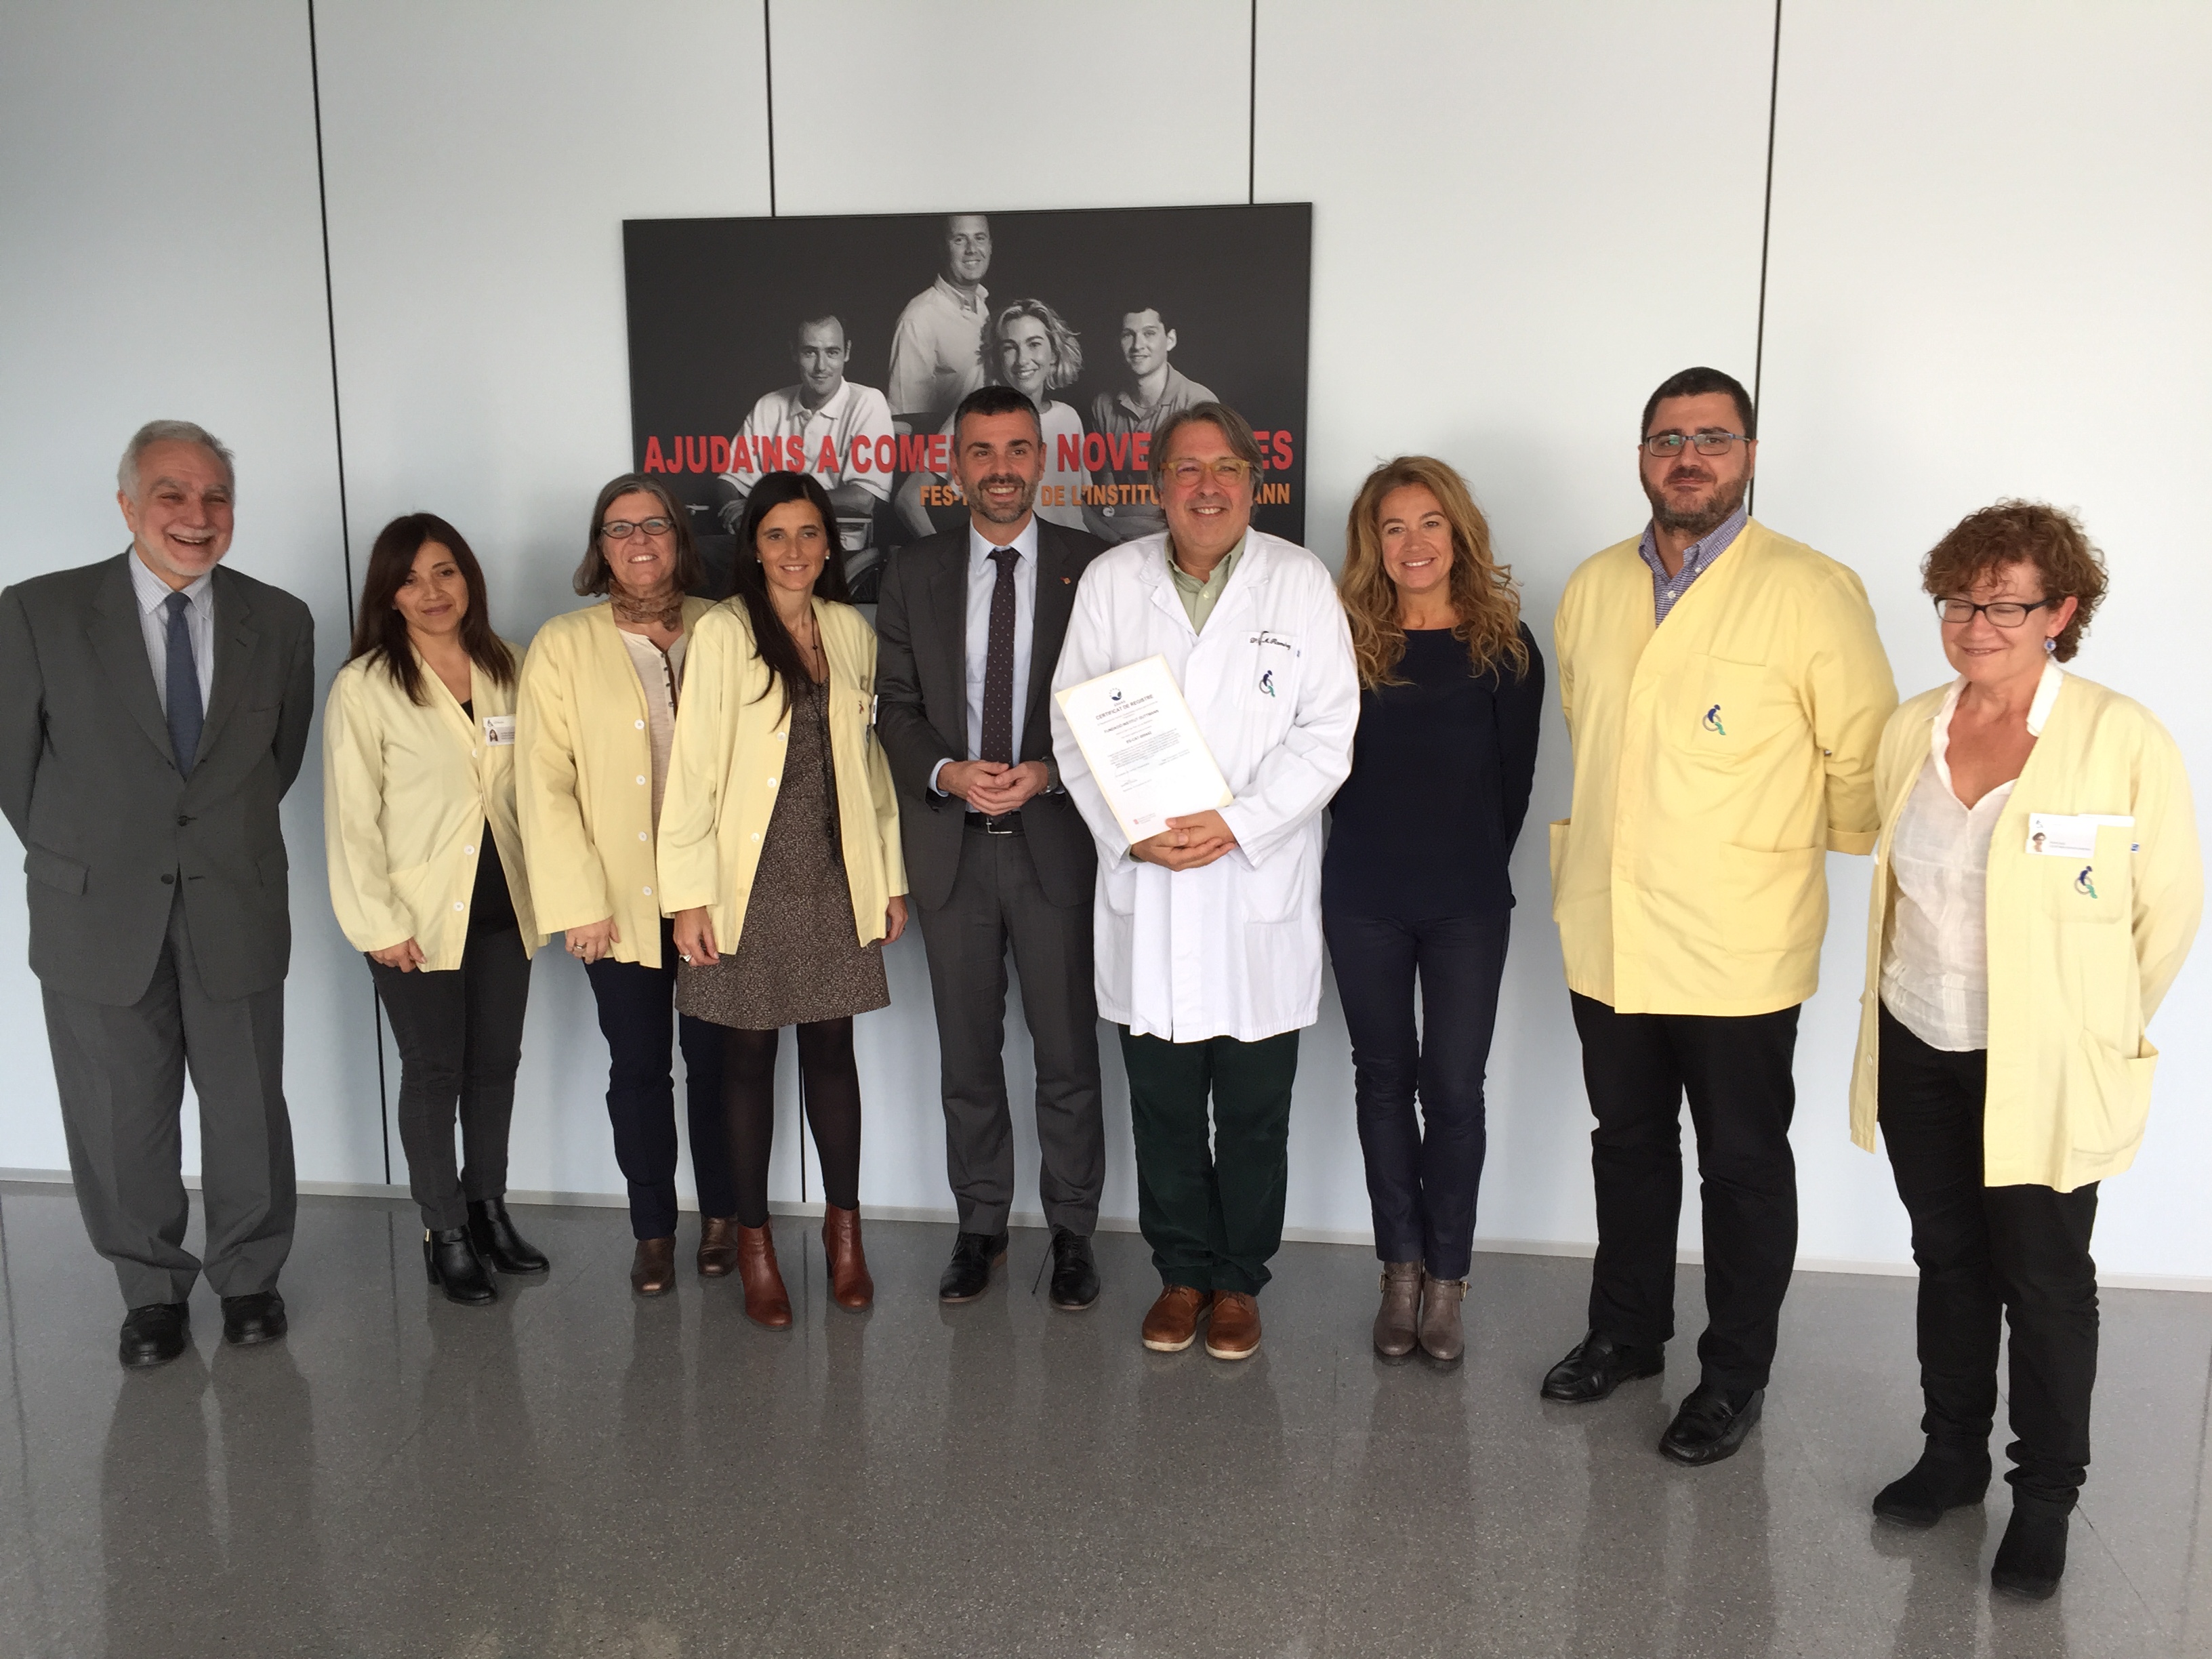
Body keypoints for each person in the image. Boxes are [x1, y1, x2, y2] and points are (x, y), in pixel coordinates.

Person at [1542, 367, 1897, 1463]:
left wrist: (1766, 848)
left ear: (1746, 454)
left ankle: (1733, 1375)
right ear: (1640, 456)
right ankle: (1626, 1332)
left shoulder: (1809, 588)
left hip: (1739, 935)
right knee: (1626, 1144)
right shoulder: (1592, 585)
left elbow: (1863, 758)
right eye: (1666, 438)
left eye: (1711, 437)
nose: (1686, 457)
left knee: (1740, 1164)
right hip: (1611, 926)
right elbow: (1591, 733)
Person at [1847, 502, 2199, 1599]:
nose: (1974, 623)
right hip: (1917, 1034)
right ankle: (1951, 1455)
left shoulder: (2119, 738)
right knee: (1948, 1258)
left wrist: (2087, 1030)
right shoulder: (1912, 728)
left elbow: (2164, 913)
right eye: (1957, 600)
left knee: (2043, 1281)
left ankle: (2043, 1495)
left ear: (2060, 611)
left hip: (2042, 1062)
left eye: (2004, 604)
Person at [0, 421, 314, 1368]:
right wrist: (99, 852)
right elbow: (15, 772)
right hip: (96, 908)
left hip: (234, 897)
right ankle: (150, 1292)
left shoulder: (280, 620)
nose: (196, 514)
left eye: (216, 496)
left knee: (247, 1104)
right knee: (118, 1113)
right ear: (128, 505)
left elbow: (276, 762)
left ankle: (250, 1277)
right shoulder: (36, 613)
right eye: (172, 493)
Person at [1050, 401, 1357, 1361]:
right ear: (1158, 486)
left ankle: (1238, 1281)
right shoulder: (1114, 582)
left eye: (1227, 467)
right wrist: (1130, 835)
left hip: (1254, 887)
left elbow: (1329, 734)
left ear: (1254, 483)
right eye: (1188, 469)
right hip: (1150, 887)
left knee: (1257, 1113)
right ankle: (1181, 1273)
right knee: (1165, 1109)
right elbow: (1073, 725)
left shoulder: (1298, 582)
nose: (1208, 486)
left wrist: (1237, 824)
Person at [876, 385, 1111, 1309]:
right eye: (982, 451)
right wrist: (945, 771)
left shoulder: (1095, 568)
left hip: (1056, 844)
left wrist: (1050, 771)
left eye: (1018, 449)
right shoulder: (912, 572)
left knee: (1068, 1057)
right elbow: (894, 707)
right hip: (955, 851)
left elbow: (1122, 703)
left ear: (1041, 460)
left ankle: (1073, 1232)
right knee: (968, 1059)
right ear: (954, 464)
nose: (1002, 468)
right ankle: (980, 1225)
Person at [661, 471, 909, 1328]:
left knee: (833, 1053)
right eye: (776, 535)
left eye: (809, 534)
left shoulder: (848, 630)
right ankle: (756, 1247)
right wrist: (689, 897)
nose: (794, 550)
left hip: (837, 872)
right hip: (749, 878)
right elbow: (692, 771)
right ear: (753, 546)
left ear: (829, 545)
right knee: (747, 1060)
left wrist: (890, 876)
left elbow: (872, 766)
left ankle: (846, 1238)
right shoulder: (724, 632)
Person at [1325, 457, 1543, 1364]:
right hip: (1363, 896)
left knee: (1453, 1090)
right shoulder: (1344, 641)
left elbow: (1514, 786)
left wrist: (1466, 865)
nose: (1413, 543)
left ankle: (1448, 1282)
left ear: (1458, 533)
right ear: (1372, 544)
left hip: (1466, 903)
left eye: (1429, 524)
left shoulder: (1506, 646)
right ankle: (1401, 1274)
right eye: (1393, 528)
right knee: (1382, 1083)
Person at [516, 475, 739, 1296]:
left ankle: (724, 1218)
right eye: (620, 528)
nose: (639, 540)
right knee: (639, 1068)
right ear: (599, 546)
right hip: (615, 903)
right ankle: (653, 1229)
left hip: (716, 896)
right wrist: (577, 903)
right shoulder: (563, 644)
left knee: (718, 1066)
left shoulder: (725, 627)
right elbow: (543, 783)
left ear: (680, 537)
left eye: (655, 524)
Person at [323, 513, 548, 1307]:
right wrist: (378, 924)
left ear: (468, 578)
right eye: (411, 578)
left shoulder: (509, 665)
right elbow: (350, 818)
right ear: (388, 594)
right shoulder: (365, 686)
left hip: (506, 906)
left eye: (445, 571)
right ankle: (444, 1229)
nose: (431, 591)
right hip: (414, 919)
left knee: (495, 1067)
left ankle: (488, 1209)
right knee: (434, 1071)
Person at [895, 301, 1093, 539]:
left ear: (1054, 354)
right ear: (998, 359)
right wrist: (941, 553)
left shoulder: (1069, 417)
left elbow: (1078, 508)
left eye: (1034, 344)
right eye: (1010, 348)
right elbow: (908, 499)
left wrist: (1115, 541)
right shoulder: (975, 415)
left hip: (1075, 554)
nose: (1022, 360)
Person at [713, 314, 895, 530]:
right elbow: (730, 480)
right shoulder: (769, 405)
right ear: (794, 353)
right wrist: (733, 513)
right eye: (810, 352)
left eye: (832, 352)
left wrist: (770, 504)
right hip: (765, 535)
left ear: (847, 352)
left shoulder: (868, 402)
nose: (821, 366)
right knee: (703, 548)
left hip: (835, 539)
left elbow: (862, 498)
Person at [1082, 306, 1216, 545]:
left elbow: (1202, 495)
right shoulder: (1103, 405)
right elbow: (1105, 490)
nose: (1137, 345)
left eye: (1149, 333)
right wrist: (1113, 541)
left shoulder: (1198, 403)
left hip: (1177, 539)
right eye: (1128, 335)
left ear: (1170, 340)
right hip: (1113, 538)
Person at [886, 214, 993, 428]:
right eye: (960, 240)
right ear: (943, 249)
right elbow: (908, 417)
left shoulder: (983, 306)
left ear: (990, 246)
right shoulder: (919, 318)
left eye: (979, 238)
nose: (972, 249)